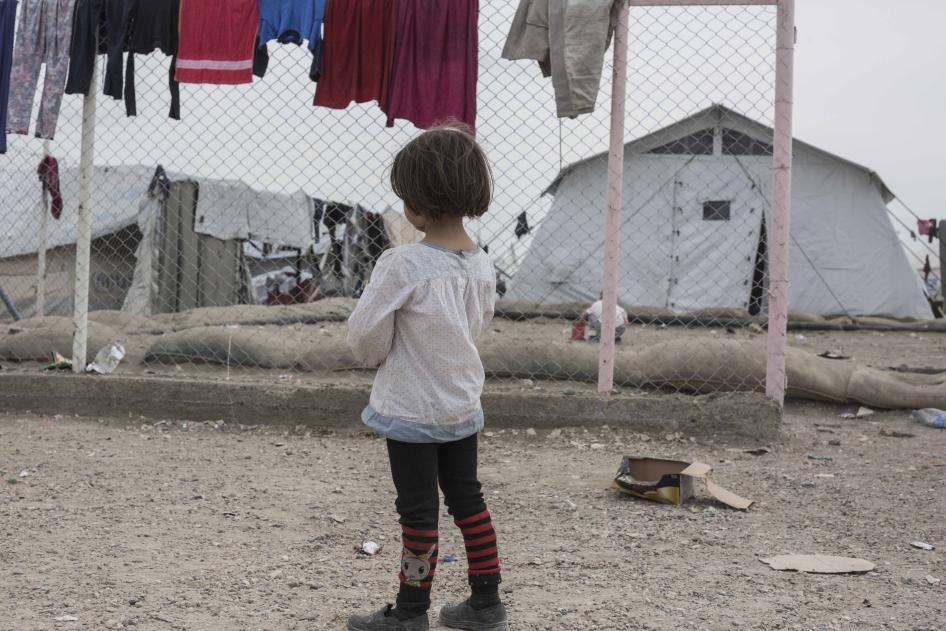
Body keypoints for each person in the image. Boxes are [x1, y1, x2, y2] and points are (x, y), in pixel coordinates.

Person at [345, 124, 506, 631]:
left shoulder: (402, 264)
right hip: (462, 406)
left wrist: (386, 349)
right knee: (469, 502)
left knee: (417, 514)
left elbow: (365, 339)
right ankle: (486, 602)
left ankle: (411, 610)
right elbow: (475, 328)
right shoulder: (482, 266)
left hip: (412, 409)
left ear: (418, 202)